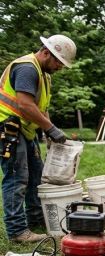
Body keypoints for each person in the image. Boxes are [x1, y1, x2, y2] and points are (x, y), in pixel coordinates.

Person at [0, 35, 75, 242]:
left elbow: (41, 108)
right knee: (17, 178)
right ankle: (17, 231)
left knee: (37, 176)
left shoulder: (44, 75)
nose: (60, 67)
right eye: (59, 61)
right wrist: (50, 129)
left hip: (25, 130)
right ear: (45, 52)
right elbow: (25, 105)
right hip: (8, 126)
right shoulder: (27, 68)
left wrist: (49, 133)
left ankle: (35, 220)